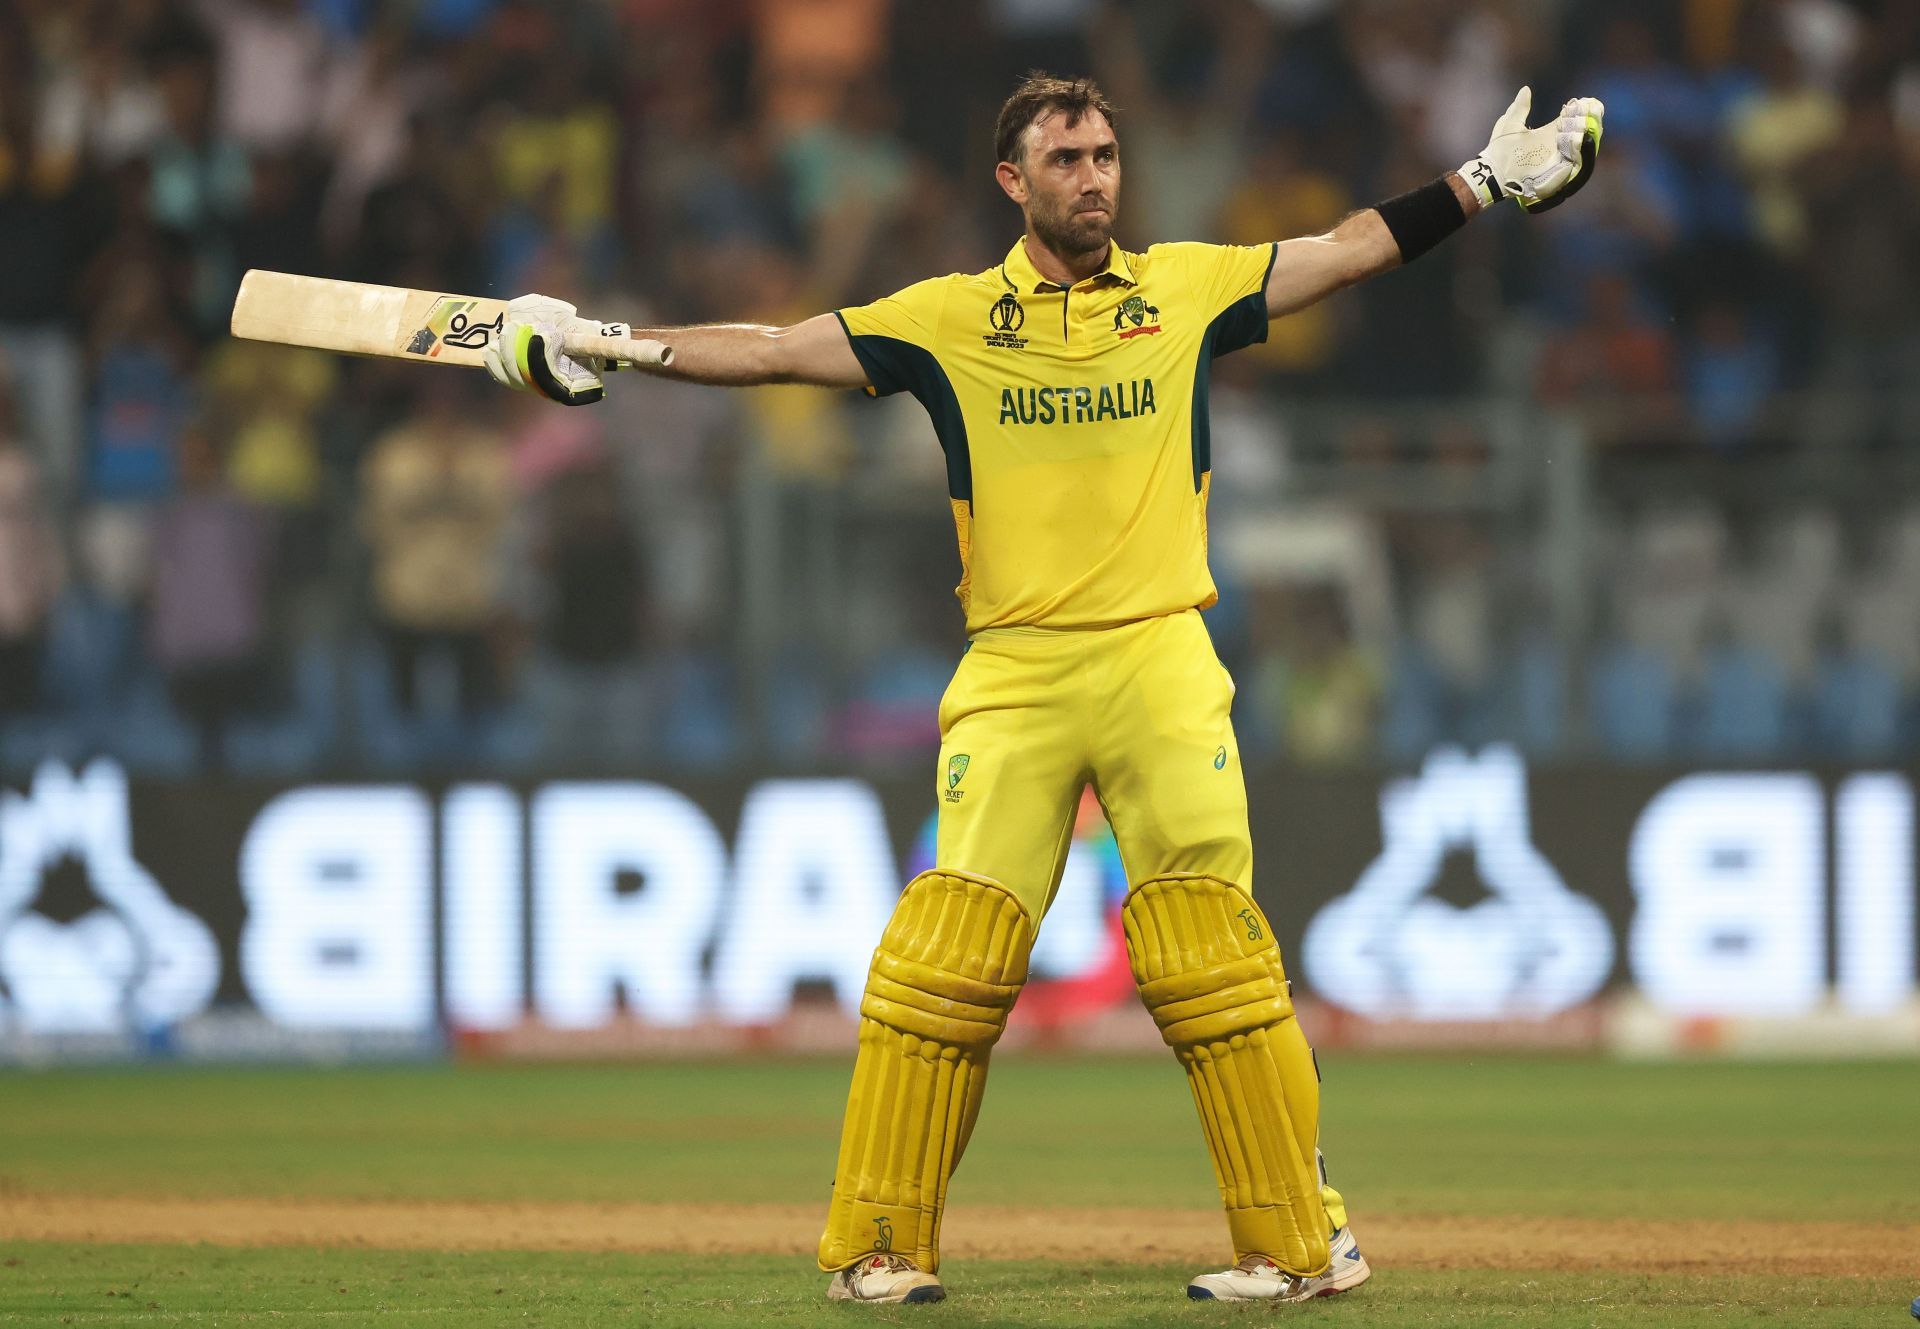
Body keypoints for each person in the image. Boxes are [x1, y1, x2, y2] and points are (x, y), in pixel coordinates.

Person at [482, 72, 1603, 1307]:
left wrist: (1483, 186)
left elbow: (1346, 251)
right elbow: (774, 350)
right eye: (1066, 158)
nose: (1095, 177)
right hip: (1014, 670)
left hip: (1160, 653)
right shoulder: (949, 318)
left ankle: (1299, 1246)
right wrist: (609, 345)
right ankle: (881, 1248)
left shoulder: (1185, 287)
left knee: (1211, 962)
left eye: (1106, 155)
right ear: (1013, 181)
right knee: (941, 968)